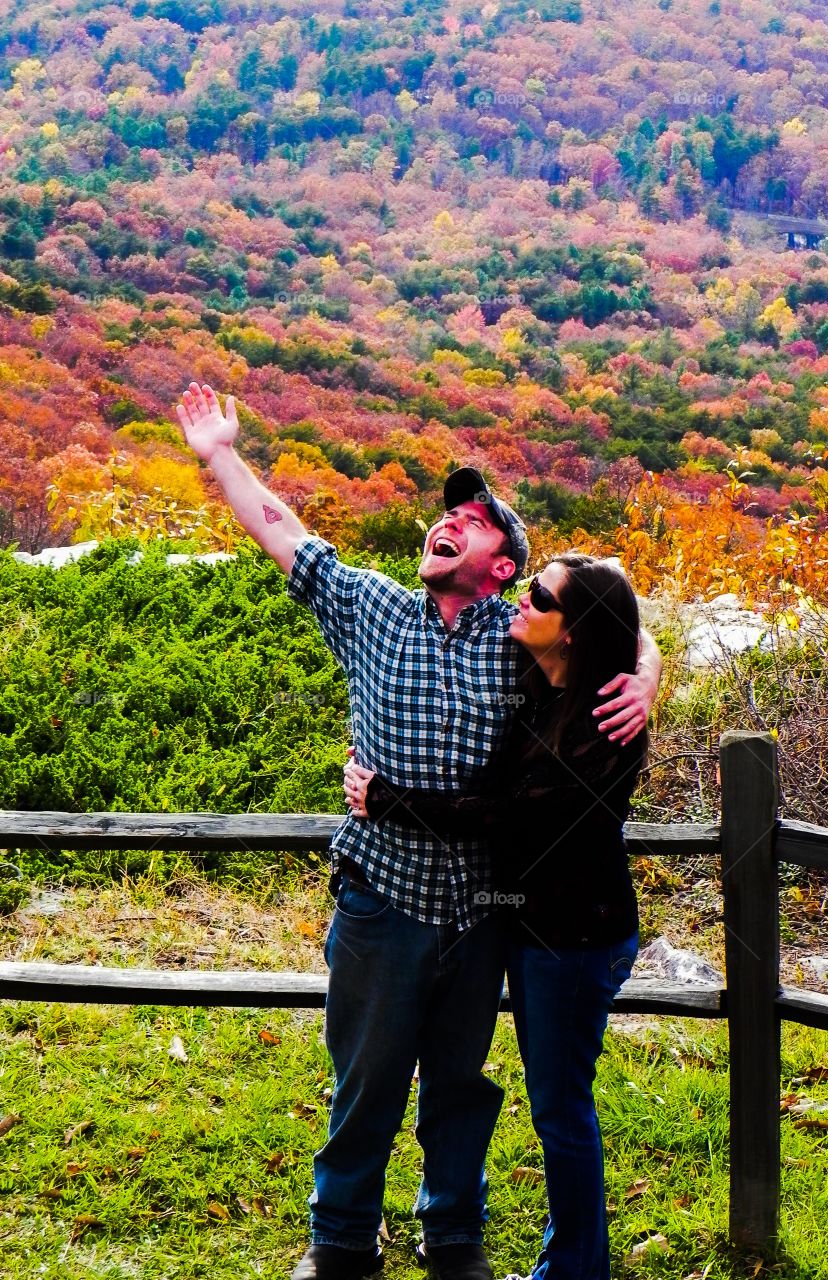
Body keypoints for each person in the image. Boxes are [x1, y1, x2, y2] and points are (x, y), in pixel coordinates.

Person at [174, 382, 662, 1280]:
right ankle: (342, 1241)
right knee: (363, 1085)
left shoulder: (516, 639)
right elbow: (281, 528)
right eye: (447, 515)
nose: (450, 522)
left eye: (473, 520)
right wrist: (220, 456)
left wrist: (647, 671)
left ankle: (455, 1242)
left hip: (481, 916)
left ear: (503, 565)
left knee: (458, 1094)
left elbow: (604, 621)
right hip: (380, 900)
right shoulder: (371, 608)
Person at [344, 554, 649, 1280]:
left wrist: (384, 801)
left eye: (538, 596)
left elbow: (500, 817)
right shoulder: (547, 688)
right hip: (539, 935)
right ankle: (571, 1265)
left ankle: (575, 1273)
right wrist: (653, 663)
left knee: (560, 1111)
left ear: (572, 632)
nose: (522, 599)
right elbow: (636, 633)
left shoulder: (602, 721)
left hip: (573, 943)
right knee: (557, 1105)